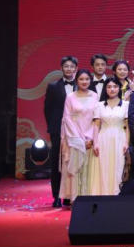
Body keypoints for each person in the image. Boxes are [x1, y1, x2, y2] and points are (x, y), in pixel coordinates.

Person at [58, 68, 98, 204]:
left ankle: (88, 197)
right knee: (75, 169)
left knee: (89, 169)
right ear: (77, 81)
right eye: (81, 79)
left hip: (90, 139)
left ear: (90, 80)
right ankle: (75, 198)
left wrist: (91, 138)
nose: (84, 81)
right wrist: (78, 140)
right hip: (74, 139)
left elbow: (96, 118)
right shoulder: (70, 97)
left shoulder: (95, 96)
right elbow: (67, 119)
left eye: (87, 79)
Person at [44, 55, 77, 207]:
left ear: (76, 68)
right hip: (58, 130)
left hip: (77, 130)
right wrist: (53, 127)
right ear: (61, 68)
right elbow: (47, 109)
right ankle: (57, 196)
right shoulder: (53, 87)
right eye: (66, 66)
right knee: (57, 162)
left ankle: (69, 195)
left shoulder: (81, 85)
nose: (69, 69)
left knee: (73, 162)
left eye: (72, 66)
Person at [90, 79, 129, 196]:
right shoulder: (99, 105)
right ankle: (104, 194)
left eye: (115, 86)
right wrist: (95, 143)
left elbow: (127, 126)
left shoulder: (125, 105)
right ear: (105, 89)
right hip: (103, 138)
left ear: (119, 88)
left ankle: (117, 194)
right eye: (109, 87)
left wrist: (126, 142)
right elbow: (96, 125)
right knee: (104, 166)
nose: (112, 89)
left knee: (118, 166)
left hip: (120, 137)